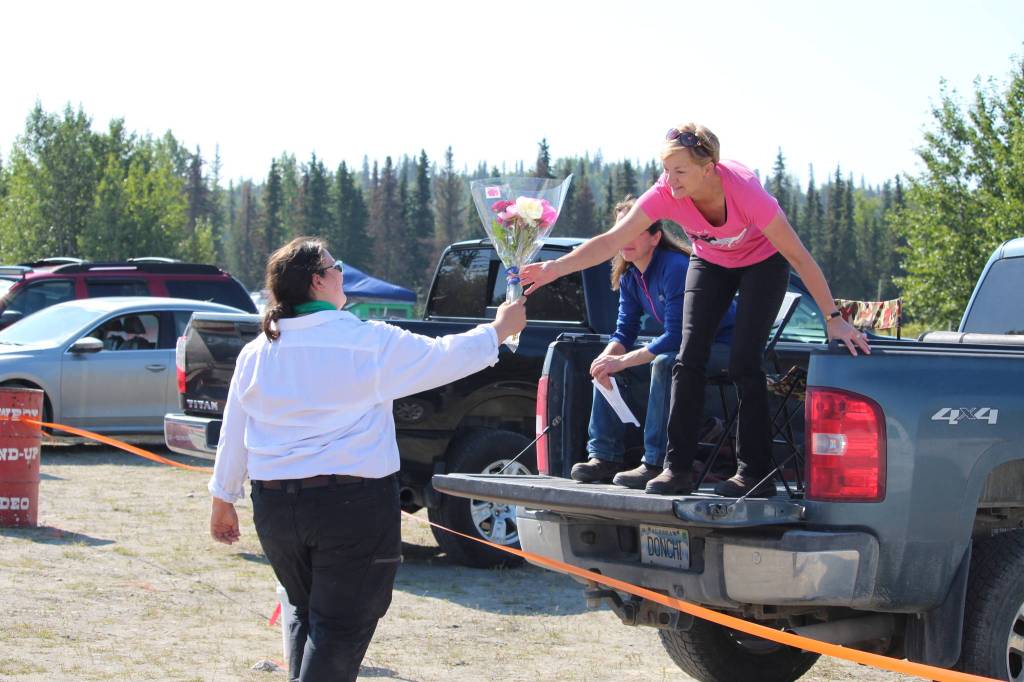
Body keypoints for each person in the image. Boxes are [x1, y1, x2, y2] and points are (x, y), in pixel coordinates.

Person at [208, 236, 527, 681]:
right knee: (337, 629)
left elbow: (234, 430)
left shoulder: (258, 351)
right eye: (335, 266)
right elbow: (442, 357)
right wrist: (498, 330)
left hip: (276, 507)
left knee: (308, 611)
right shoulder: (364, 341)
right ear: (318, 281)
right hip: (349, 506)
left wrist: (223, 497)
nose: (342, 273)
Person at [521, 123, 869, 497]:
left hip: (762, 264)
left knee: (744, 363)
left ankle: (752, 473)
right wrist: (554, 268)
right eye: (666, 171)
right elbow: (611, 241)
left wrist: (834, 320)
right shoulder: (664, 194)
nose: (670, 181)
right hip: (712, 262)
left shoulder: (747, 194)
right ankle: (677, 469)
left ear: (709, 168)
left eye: (680, 171)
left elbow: (799, 257)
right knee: (686, 359)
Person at [572, 197, 736, 489]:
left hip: (726, 348)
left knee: (664, 362)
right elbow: (624, 333)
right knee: (607, 366)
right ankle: (603, 456)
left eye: (634, 229)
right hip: (688, 348)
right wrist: (606, 360)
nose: (625, 236)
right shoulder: (630, 275)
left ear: (655, 237)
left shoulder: (675, 267)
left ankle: (655, 462)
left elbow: (676, 336)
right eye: (621, 229)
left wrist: (621, 360)